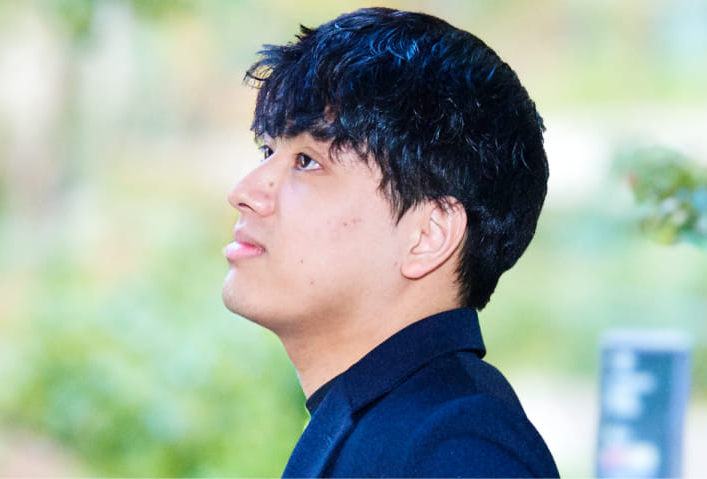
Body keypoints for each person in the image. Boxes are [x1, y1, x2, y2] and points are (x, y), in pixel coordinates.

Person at [221, 7, 559, 478]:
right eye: (267, 151)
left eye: (307, 161)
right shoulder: (394, 422)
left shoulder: (459, 448)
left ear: (428, 235)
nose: (244, 192)